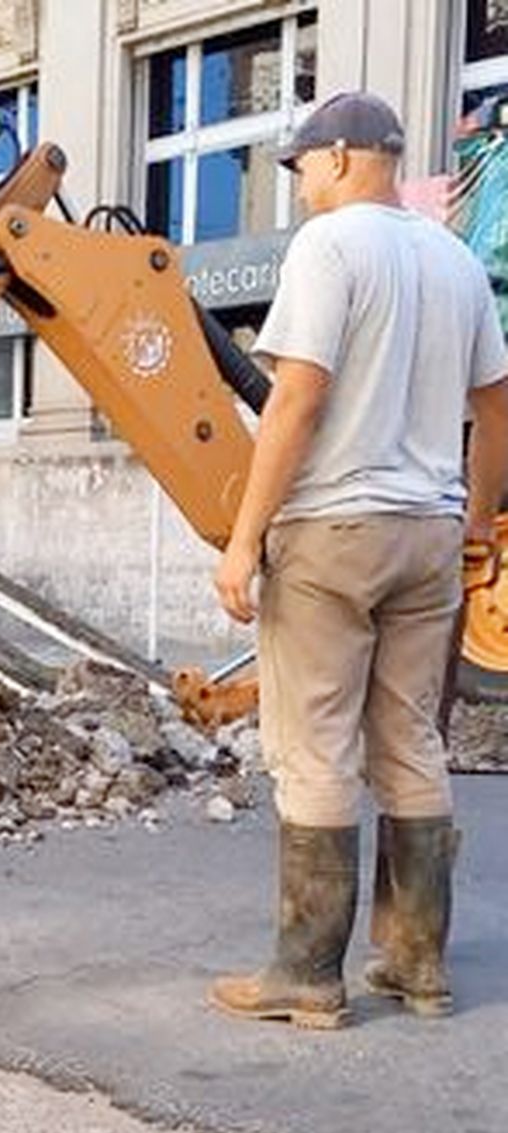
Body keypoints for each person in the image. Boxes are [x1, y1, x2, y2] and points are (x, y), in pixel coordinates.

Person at [209, 92, 508, 1029]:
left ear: (340, 158)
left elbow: (296, 398)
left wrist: (245, 537)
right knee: (412, 738)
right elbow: (498, 409)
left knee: (317, 744)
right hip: (428, 531)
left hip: (336, 530)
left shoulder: (331, 249)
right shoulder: (456, 260)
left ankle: (307, 973)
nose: (299, 186)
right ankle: (417, 965)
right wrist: (477, 521)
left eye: (301, 167)